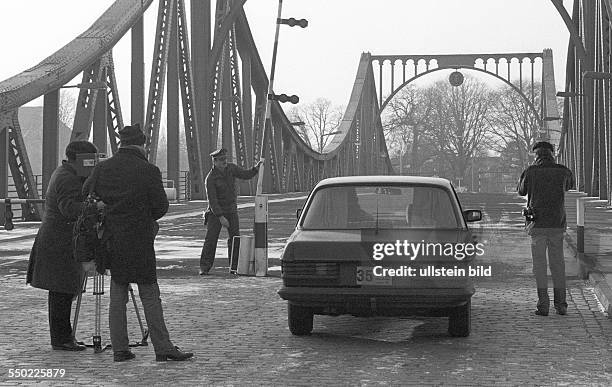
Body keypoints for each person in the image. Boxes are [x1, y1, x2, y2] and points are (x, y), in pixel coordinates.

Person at [83, 124, 193, 362]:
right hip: (141, 240)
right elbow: (161, 207)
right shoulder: (149, 170)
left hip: (112, 239)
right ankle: (163, 348)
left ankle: (120, 349)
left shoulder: (103, 168)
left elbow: (86, 193)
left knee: (118, 294)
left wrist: (109, 209)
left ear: (121, 144)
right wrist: (144, 215)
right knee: (150, 295)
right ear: (141, 145)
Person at [26, 140, 99, 351]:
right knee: (62, 290)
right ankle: (62, 339)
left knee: (62, 290)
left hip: (57, 240)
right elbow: (69, 208)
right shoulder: (67, 178)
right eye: (89, 161)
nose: (92, 165)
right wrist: (95, 207)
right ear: (77, 159)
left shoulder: (64, 173)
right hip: (60, 242)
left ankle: (64, 337)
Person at [518, 141, 574, 316]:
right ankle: (561, 305)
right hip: (557, 225)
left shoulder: (531, 172)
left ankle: (543, 305)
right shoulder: (563, 171)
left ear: (536, 155)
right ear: (552, 154)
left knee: (540, 267)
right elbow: (569, 186)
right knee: (558, 266)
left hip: (537, 226)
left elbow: (521, 191)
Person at [199, 148, 263, 275]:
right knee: (211, 240)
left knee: (235, 239)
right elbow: (212, 201)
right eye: (222, 160)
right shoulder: (210, 178)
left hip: (231, 210)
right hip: (215, 213)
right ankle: (204, 267)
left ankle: (234, 267)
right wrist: (221, 217)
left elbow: (245, 174)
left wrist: (255, 169)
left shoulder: (231, 169)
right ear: (215, 162)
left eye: (225, 159)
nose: (225, 162)